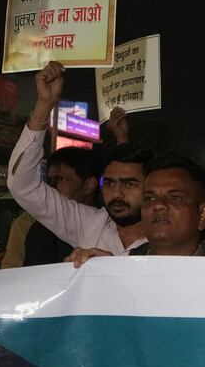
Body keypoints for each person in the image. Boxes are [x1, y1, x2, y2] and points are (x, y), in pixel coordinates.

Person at [10, 63, 149, 256]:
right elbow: (23, 186)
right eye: (108, 183)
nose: (116, 193)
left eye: (130, 184)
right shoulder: (89, 224)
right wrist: (44, 105)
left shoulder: (171, 234)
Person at [71, 153, 205, 262]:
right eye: (149, 198)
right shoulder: (119, 267)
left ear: (203, 215)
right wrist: (109, 272)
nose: (158, 205)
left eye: (175, 198)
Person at [0, 145, 102, 269]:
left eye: (61, 179)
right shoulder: (27, 224)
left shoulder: (111, 227)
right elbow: (11, 275)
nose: (52, 186)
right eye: (50, 179)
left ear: (88, 185)